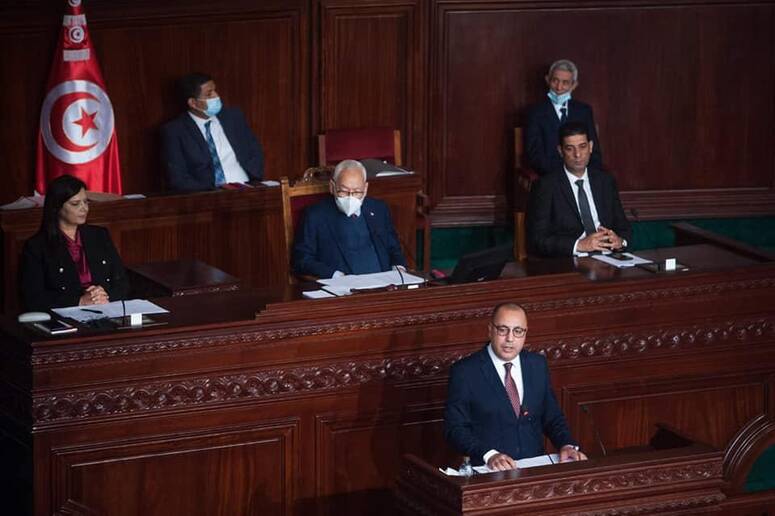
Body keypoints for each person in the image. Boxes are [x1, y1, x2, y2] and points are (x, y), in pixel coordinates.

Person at [444, 302, 586, 470]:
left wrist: (567, 445)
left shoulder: (537, 365)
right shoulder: (465, 371)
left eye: (517, 331)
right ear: (490, 330)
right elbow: (455, 429)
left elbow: (552, 417)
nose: (510, 339)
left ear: (525, 333)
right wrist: (488, 455)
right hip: (490, 471)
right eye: (503, 330)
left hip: (535, 469)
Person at [20, 175, 130, 311]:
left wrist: (105, 296)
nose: (84, 208)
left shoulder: (99, 235)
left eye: (86, 202)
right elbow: (33, 298)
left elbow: (122, 282)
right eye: (75, 204)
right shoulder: (37, 246)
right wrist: (80, 301)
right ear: (57, 207)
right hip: (65, 315)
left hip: (106, 309)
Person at [527, 121, 631, 257]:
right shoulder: (545, 186)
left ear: (591, 147)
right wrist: (579, 245)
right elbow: (536, 240)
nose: (578, 155)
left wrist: (620, 241)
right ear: (560, 151)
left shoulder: (605, 181)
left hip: (609, 258)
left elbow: (624, 229)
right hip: (570, 260)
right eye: (570, 149)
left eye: (582, 147)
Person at [293, 159, 406, 279]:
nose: (350, 197)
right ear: (332, 186)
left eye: (357, 192)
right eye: (344, 191)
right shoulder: (315, 215)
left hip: (385, 283)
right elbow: (302, 260)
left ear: (365, 188)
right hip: (343, 286)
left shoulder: (378, 209)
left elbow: (394, 249)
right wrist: (334, 275)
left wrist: (399, 267)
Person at [160, 72, 265, 192]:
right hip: (206, 194)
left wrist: (254, 181)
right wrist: (212, 193)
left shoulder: (233, 117)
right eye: (209, 94)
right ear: (193, 103)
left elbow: (254, 150)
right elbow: (177, 177)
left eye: (215, 90)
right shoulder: (175, 131)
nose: (216, 96)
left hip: (246, 188)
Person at [525, 59, 602, 176]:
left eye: (565, 82)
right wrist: (562, 176)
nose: (559, 87)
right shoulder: (535, 112)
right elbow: (534, 154)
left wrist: (587, 174)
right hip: (550, 175)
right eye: (555, 81)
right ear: (547, 80)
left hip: (581, 174)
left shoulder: (584, 111)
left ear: (574, 85)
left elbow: (594, 151)